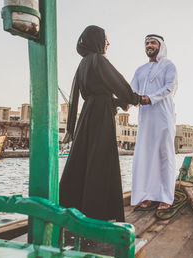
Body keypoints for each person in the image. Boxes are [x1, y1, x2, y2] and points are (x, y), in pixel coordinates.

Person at [59, 25, 140, 222]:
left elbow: (90, 94)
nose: (108, 43)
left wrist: (120, 103)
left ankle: (78, 207)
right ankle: (98, 212)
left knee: (85, 159)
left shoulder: (83, 64)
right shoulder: (98, 60)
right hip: (101, 115)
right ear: (97, 40)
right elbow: (118, 82)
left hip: (88, 114)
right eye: (106, 39)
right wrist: (133, 98)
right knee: (101, 159)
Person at [130, 34, 178, 210]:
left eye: (153, 43)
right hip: (145, 119)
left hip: (163, 116)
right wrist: (124, 103)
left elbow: (169, 88)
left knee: (164, 154)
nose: (149, 46)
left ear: (161, 46)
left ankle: (166, 197)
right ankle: (147, 195)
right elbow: (131, 90)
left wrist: (150, 98)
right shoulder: (140, 70)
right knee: (146, 155)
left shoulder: (169, 66)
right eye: (147, 43)